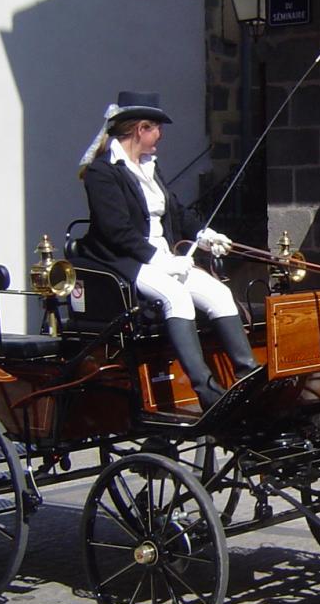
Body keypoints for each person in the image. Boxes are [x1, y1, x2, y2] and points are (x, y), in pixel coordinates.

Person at [77, 90, 256, 410]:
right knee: (176, 295)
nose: (161, 135)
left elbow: (176, 211)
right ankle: (205, 388)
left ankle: (247, 374)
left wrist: (204, 235)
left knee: (219, 294)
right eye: (156, 128)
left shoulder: (149, 167)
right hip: (127, 260)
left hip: (163, 258)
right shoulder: (102, 173)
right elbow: (116, 231)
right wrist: (161, 262)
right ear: (139, 129)